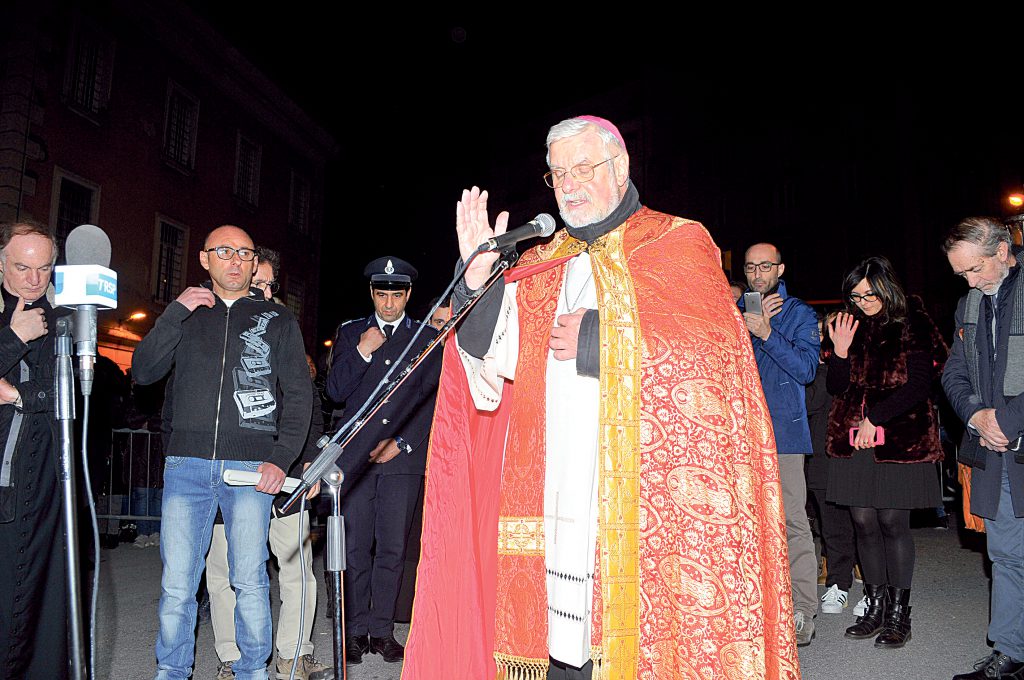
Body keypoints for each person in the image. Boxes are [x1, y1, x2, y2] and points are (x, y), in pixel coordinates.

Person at [403, 116, 797, 679]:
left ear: (621, 166)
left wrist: (600, 338)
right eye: (557, 173)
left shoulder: (677, 240)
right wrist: (476, 283)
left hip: (644, 496)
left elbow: (714, 354)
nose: (567, 183)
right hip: (554, 493)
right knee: (562, 653)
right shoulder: (539, 262)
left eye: (582, 167)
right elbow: (487, 367)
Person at [132, 225, 312, 680]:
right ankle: (171, 671)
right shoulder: (187, 315)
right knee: (177, 584)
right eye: (225, 251)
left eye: (245, 253)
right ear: (204, 258)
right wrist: (172, 313)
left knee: (249, 578)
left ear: (254, 264)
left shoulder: (278, 322)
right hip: (187, 467)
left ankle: (254, 671)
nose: (235, 260)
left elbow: (298, 393)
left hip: (251, 467)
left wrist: (281, 456)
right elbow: (145, 371)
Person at [205, 248, 331, 680]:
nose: (259, 290)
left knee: (298, 573)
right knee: (225, 573)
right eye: (251, 282)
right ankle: (232, 657)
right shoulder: (213, 330)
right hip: (226, 475)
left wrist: (311, 462)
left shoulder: (283, 331)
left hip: (286, 475)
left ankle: (294, 655)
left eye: (266, 284)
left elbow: (309, 408)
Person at [825, 255, 946, 650]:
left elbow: (920, 384)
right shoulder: (850, 324)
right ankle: (874, 607)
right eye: (855, 296)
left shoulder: (912, 319)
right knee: (862, 519)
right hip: (854, 436)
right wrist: (840, 351)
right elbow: (837, 388)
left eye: (869, 294)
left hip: (901, 434)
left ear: (887, 286)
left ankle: (899, 615)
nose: (862, 302)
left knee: (893, 521)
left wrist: (875, 417)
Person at [325, 256, 441, 665]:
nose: (388, 303)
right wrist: (361, 351)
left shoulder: (425, 336)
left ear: (408, 294)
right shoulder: (352, 332)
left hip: (400, 459)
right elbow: (336, 391)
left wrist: (404, 442)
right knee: (355, 548)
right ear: (371, 293)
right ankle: (355, 631)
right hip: (356, 457)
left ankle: (382, 630)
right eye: (381, 293)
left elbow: (431, 397)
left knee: (392, 548)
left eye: (396, 294)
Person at [942, 217, 1024, 680]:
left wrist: (1005, 421)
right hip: (999, 453)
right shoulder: (969, 305)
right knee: (1007, 556)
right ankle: (1011, 653)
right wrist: (975, 416)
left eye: (975, 270)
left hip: (1014, 436)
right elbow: (953, 373)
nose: (971, 282)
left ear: (1002, 250)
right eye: (962, 275)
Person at [739, 242, 820, 646]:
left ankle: (803, 608)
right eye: (751, 267)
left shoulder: (800, 313)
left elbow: (806, 370)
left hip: (783, 435)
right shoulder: (732, 311)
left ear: (780, 268)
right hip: (739, 434)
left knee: (791, 521)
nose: (757, 274)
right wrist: (744, 328)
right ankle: (758, 606)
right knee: (745, 523)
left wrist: (767, 332)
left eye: (765, 266)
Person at [0, 221, 67, 678]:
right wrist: (13, 337)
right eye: (22, 267)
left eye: (43, 268)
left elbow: (65, 396)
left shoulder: (62, 317)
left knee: (42, 598)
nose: (33, 279)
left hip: (43, 476)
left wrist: (18, 395)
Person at [804, 311, 859, 615]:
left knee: (865, 522)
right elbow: (811, 402)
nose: (820, 338)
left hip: (854, 451)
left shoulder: (856, 364)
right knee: (832, 523)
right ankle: (838, 583)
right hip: (821, 451)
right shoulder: (812, 369)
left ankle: (873, 583)